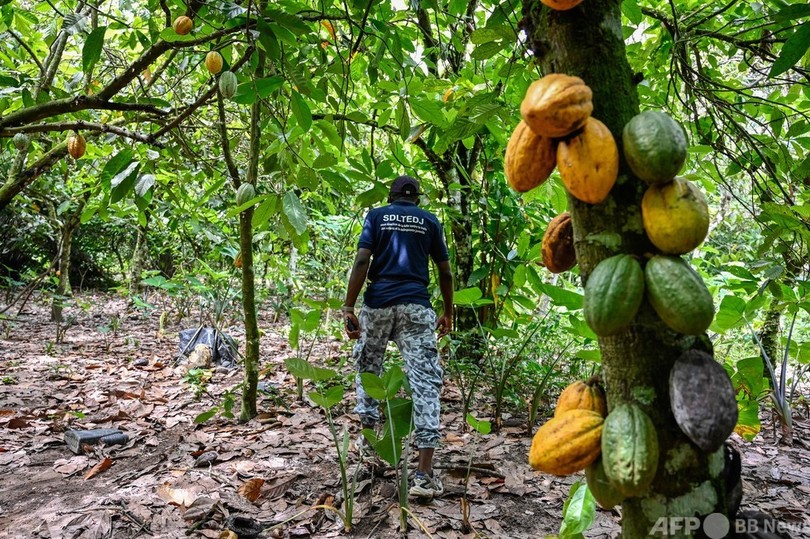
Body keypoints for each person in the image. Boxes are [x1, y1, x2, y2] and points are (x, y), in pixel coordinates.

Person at [342, 175, 453, 499]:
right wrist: (449, 311)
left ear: (391, 196)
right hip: (416, 308)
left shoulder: (376, 216)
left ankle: (368, 454)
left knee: (368, 372)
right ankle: (423, 474)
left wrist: (349, 306)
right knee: (425, 382)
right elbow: (444, 270)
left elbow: (363, 260)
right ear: (417, 198)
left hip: (377, 306)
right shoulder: (429, 221)